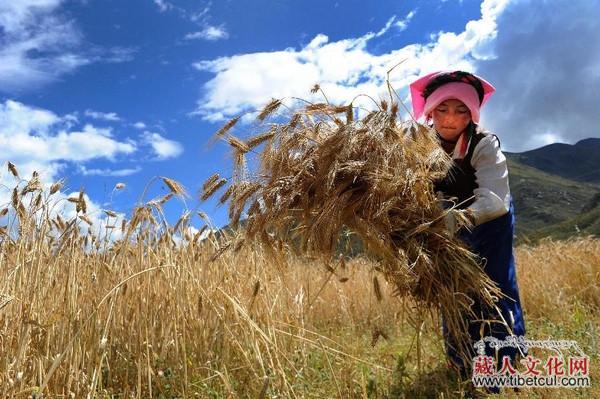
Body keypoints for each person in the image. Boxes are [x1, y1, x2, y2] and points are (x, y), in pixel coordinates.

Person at [409, 70, 527, 392]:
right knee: (455, 288)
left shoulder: (484, 145)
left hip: (492, 219)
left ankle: (503, 359)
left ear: (472, 115)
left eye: (461, 111)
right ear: (430, 111)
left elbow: (493, 200)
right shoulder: (419, 147)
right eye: (442, 109)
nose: (450, 119)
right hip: (446, 220)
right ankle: (461, 361)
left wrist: (447, 221)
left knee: (494, 286)